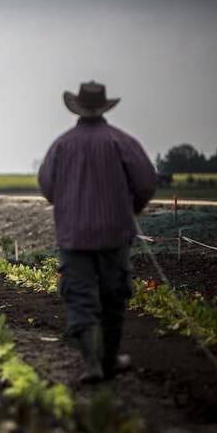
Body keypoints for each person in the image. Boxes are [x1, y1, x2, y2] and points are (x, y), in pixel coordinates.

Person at [38, 81, 156, 383]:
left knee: (79, 298)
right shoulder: (122, 141)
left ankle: (91, 365)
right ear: (104, 107)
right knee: (113, 296)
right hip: (114, 234)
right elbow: (145, 182)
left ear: (77, 106)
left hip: (74, 236)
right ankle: (110, 361)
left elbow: (48, 188)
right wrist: (133, 207)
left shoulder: (61, 145)